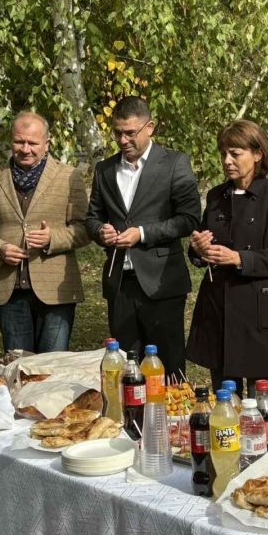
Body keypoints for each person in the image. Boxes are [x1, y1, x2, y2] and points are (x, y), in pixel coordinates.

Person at [86, 96, 200, 378]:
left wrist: (143, 234)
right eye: (117, 133)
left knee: (169, 368)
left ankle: (173, 422)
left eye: (130, 133)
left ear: (150, 128)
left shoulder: (174, 163)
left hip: (162, 284)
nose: (123, 140)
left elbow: (188, 219)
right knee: (127, 369)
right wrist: (101, 231)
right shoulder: (105, 169)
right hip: (120, 284)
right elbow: (91, 218)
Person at [185, 120, 268, 402]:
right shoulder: (215, 196)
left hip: (257, 312)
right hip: (218, 309)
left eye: (235, 153)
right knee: (225, 403)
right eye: (223, 154)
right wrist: (198, 249)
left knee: (261, 406)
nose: (226, 161)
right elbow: (200, 251)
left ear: (258, 154)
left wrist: (238, 258)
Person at [0, 112, 89, 353]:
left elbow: (85, 228)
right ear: (10, 141)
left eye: (33, 143)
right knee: (18, 370)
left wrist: (52, 238)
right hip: (9, 290)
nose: (25, 149)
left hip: (57, 292)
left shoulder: (69, 176)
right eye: (19, 142)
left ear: (47, 143)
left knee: (52, 369)